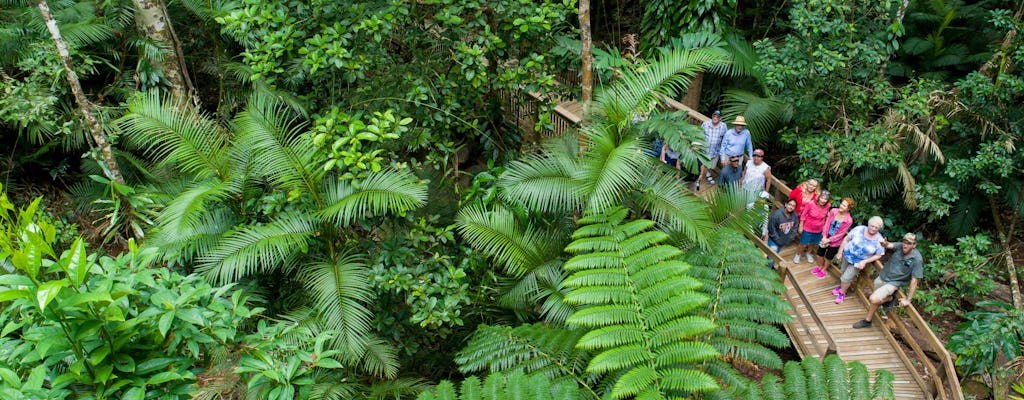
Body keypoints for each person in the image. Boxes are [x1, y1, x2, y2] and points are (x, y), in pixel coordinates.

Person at [853, 233, 924, 328]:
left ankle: (891, 298)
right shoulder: (900, 246)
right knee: (875, 299)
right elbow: (889, 245)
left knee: (873, 299)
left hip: (894, 282)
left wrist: (908, 299)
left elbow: (915, 280)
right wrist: (884, 243)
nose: (905, 245)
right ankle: (868, 320)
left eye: (909, 243)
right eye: (904, 242)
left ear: (914, 245)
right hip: (883, 276)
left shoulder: (917, 260)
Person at [832, 216, 887, 304]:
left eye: (876, 227)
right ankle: (842, 286)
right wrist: (840, 252)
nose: (873, 229)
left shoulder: (879, 240)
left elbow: (879, 254)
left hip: (859, 262)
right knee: (843, 272)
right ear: (868, 224)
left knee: (846, 278)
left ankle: (842, 293)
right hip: (847, 256)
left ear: (879, 228)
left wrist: (865, 261)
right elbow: (846, 239)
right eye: (872, 226)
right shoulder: (859, 229)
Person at [812, 197, 855, 278]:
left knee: (828, 257)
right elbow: (827, 223)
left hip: (834, 242)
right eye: (842, 204)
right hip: (825, 237)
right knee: (819, 253)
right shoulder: (833, 211)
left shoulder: (848, 220)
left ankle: (824, 269)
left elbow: (841, 234)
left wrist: (829, 240)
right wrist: (824, 236)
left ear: (848, 208)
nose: (841, 206)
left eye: (844, 206)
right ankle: (820, 266)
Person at [795, 191, 830, 264]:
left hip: (819, 228)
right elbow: (803, 214)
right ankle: (798, 254)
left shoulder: (828, 206)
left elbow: (827, 215)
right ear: (819, 197)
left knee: (813, 243)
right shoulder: (811, 204)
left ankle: (809, 253)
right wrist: (801, 226)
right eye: (822, 198)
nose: (823, 200)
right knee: (803, 243)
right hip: (808, 227)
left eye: (825, 199)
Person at [766, 199, 799, 268]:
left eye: (793, 206)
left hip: (784, 240)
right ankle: (768, 270)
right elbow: (771, 228)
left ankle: (769, 266)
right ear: (786, 204)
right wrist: (777, 240)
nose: (791, 207)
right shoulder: (776, 214)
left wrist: (790, 238)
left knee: (775, 255)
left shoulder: (794, 216)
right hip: (774, 240)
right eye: (790, 204)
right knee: (773, 255)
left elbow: (795, 228)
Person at [699, 110, 728, 188]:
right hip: (704, 149)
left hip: (715, 150)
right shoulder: (705, 124)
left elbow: (725, 138)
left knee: (712, 165)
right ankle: (699, 176)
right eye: (714, 116)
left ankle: (708, 174)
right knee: (701, 163)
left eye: (717, 117)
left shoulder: (723, 126)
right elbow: (700, 133)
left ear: (720, 118)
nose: (715, 118)